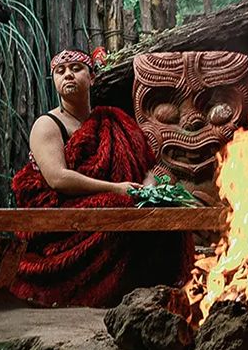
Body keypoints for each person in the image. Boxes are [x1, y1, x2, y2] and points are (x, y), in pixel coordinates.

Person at [10, 48, 193, 307]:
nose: (68, 75)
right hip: (60, 209)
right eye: (60, 72)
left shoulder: (112, 120)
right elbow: (57, 179)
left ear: (92, 77)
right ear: (54, 82)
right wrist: (117, 189)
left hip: (111, 197)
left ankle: (166, 284)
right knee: (122, 206)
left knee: (164, 209)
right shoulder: (47, 125)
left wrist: (150, 189)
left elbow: (145, 167)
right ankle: (107, 290)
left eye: (76, 68)